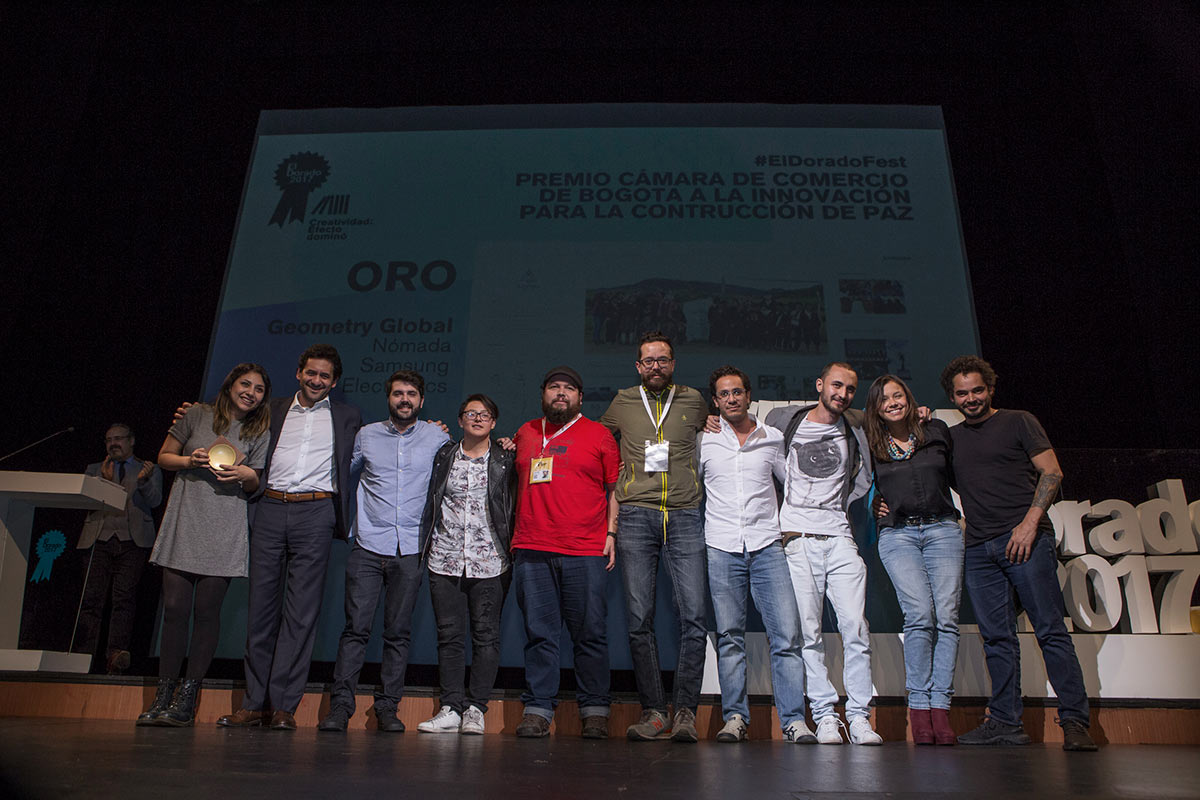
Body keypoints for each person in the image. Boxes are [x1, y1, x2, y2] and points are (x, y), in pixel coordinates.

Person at [938, 356, 1096, 751]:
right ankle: (1005, 723)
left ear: (990, 389)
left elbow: (1052, 472)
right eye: (962, 393)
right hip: (979, 550)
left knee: (1050, 630)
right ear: (952, 397)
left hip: (1027, 540)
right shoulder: (952, 438)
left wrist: (1029, 524)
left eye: (977, 390)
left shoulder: (1018, 421)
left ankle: (1075, 723)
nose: (971, 398)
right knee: (996, 638)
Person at [217, 344, 363, 730]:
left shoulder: (348, 416)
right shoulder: (273, 408)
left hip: (316, 512)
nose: (316, 380)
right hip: (269, 506)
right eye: (311, 373)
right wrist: (192, 414)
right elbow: (231, 421)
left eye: (325, 376)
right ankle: (254, 703)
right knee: (261, 611)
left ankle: (283, 707)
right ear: (299, 373)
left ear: (334, 382)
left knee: (301, 615)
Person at [138, 364, 271, 726]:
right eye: (245, 384)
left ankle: (187, 698)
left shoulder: (259, 430)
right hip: (186, 518)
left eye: (259, 389)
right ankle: (163, 694)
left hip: (225, 525)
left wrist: (246, 474)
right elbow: (164, 457)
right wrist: (189, 459)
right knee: (174, 609)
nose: (251, 392)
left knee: (207, 613)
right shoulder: (196, 414)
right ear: (230, 385)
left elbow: (255, 483)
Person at [317, 370, 449, 733]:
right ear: (388, 398)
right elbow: (339, 474)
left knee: (398, 633)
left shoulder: (437, 437)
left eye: (411, 394)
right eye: (397, 393)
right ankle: (340, 708)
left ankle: (388, 708)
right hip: (368, 546)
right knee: (355, 630)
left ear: (421, 400)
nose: (404, 399)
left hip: (411, 550)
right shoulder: (367, 435)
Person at [763, 362, 883, 745]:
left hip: (840, 537)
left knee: (856, 629)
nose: (842, 394)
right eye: (836, 385)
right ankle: (825, 715)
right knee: (808, 634)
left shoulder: (855, 427)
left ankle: (860, 717)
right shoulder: (785, 421)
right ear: (820, 385)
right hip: (797, 540)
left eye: (850, 389)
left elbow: (889, 421)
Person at [599, 331, 708, 742]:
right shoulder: (622, 402)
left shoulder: (694, 400)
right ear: (638, 366)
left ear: (673, 364)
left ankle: (686, 712)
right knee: (638, 619)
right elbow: (594, 441)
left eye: (663, 359)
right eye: (649, 360)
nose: (656, 366)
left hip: (684, 515)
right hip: (635, 516)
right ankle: (655, 711)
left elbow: (717, 428)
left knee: (694, 617)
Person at [698, 366, 813, 743]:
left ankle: (793, 720)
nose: (731, 399)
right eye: (724, 394)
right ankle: (735, 717)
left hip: (767, 548)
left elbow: (793, 485)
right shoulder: (704, 441)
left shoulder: (772, 438)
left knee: (786, 637)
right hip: (721, 548)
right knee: (729, 637)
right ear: (715, 401)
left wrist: (791, 526)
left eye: (737, 392)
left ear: (748, 396)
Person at [511, 366, 619, 738]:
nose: (561, 393)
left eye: (569, 388)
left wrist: (612, 532)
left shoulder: (600, 435)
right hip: (532, 548)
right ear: (543, 394)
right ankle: (538, 708)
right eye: (554, 387)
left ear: (580, 397)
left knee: (590, 634)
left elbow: (614, 489)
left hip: (584, 549)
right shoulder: (525, 432)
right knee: (539, 634)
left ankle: (595, 709)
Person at [863, 375, 962, 745]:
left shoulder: (935, 430)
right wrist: (873, 503)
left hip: (943, 530)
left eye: (898, 395)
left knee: (947, 618)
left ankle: (941, 709)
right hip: (898, 534)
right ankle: (919, 708)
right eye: (884, 399)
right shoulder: (871, 443)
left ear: (909, 398)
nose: (893, 403)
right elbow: (859, 484)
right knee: (920, 615)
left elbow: (958, 475)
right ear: (875, 408)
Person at [416, 394, 516, 735]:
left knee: (486, 637)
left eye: (485, 414)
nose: (477, 418)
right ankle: (450, 707)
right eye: (471, 413)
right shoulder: (443, 455)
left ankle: (476, 709)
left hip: (490, 561)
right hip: (444, 560)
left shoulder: (506, 458)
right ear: (460, 420)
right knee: (449, 637)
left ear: (493, 422)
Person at [74, 423, 162, 674]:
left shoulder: (149, 468)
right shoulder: (94, 469)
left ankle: (116, 657)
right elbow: (87, 504)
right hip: (98, 539)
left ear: (131, 441)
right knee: (91, 599)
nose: (113, 444)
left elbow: (155, 501)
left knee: (123, 600)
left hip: (133, 542)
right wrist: (104, 482)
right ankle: (83, 657)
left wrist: (143, 482)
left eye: (118, 439)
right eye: (108, 440)